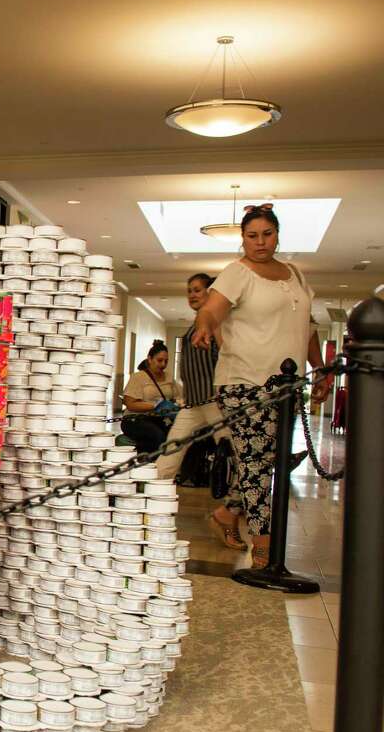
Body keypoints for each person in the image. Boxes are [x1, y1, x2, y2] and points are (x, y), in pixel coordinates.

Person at [192, 204, 332, 569]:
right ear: (243, 238)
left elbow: (308, 328)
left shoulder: (296, 274)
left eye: (266, 234)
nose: (259, 242)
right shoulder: (237, 273)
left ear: (277, 235)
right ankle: (265, 552)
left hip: (285, 387)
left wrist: (319, 368)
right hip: (243, 383)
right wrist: (205, 326)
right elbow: (211, 309)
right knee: (256, 466)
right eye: (252, 235)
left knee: (267, 463)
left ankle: (227, 514)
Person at [154, 274, 240, 547]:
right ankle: (149, 510)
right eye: (189, 290)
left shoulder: (218, 320)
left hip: (216, 404)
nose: (192, 295)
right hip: (193, 405)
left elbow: (228, 354)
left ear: (212, 292)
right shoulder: (194, 324)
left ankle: (228, 517)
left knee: (235, 460)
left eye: (198, 290)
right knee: (169, 455)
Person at [120, 340, 183, 454]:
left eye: (166, 361)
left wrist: (176, 404)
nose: (163, 364)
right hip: (135, 419)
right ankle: (148, 464)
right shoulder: (138, 377)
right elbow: (130, 404)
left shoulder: (169, 377)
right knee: (157, 436)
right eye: (159, 360)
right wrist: (155, 406)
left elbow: (178, 396)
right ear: (149, 359)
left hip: (158, 419)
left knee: (175, 435)